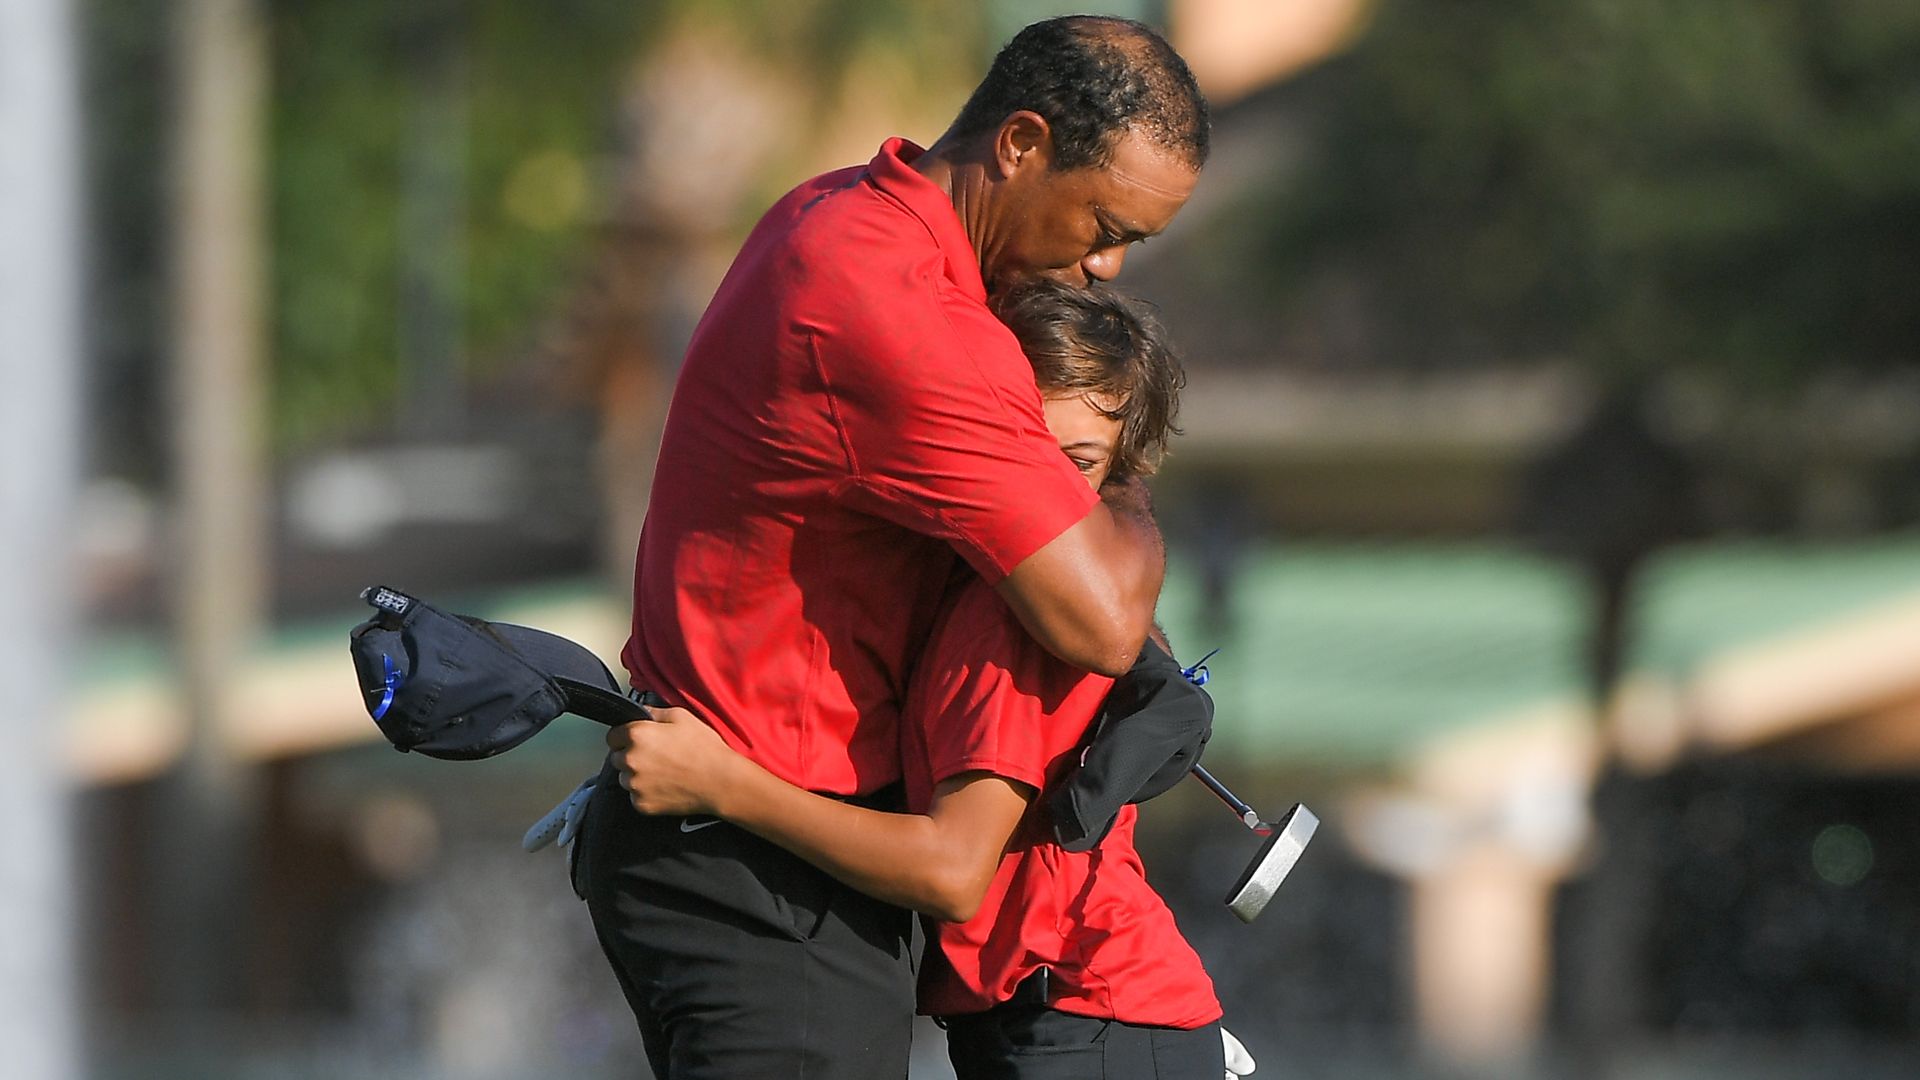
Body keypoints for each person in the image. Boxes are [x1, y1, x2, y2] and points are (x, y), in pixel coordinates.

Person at [574, 15, 1212, 1079]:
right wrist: (1123, 474)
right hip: (760, 863)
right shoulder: (900, 310)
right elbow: (1101, 620)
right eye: (1104, 221)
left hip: (744, 852)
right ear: (1020, 143)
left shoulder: (835, 208)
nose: (1103, 265)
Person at [608, 281, 1240, 1079]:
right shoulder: (965, 591)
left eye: (1077, 462)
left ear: (1118, 471)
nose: (1043, 492)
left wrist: (722, 784)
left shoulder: (1012, 625)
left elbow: (949, 871)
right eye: (1025, 454)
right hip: (1069, 1023)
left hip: (1090, 1023)